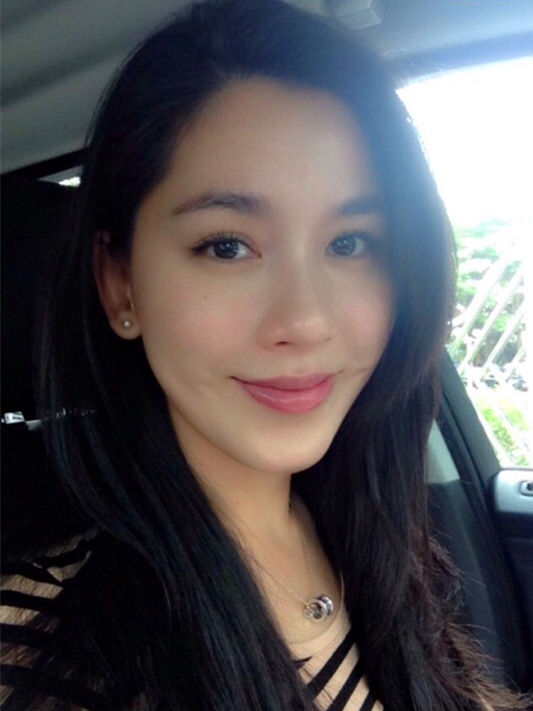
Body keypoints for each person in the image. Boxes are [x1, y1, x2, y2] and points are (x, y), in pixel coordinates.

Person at [1, 1, 529, 709]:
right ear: (119, 282)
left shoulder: (368, 528)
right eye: (227, 246)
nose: (304, 321)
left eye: (349, 243)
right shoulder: (42, 645)